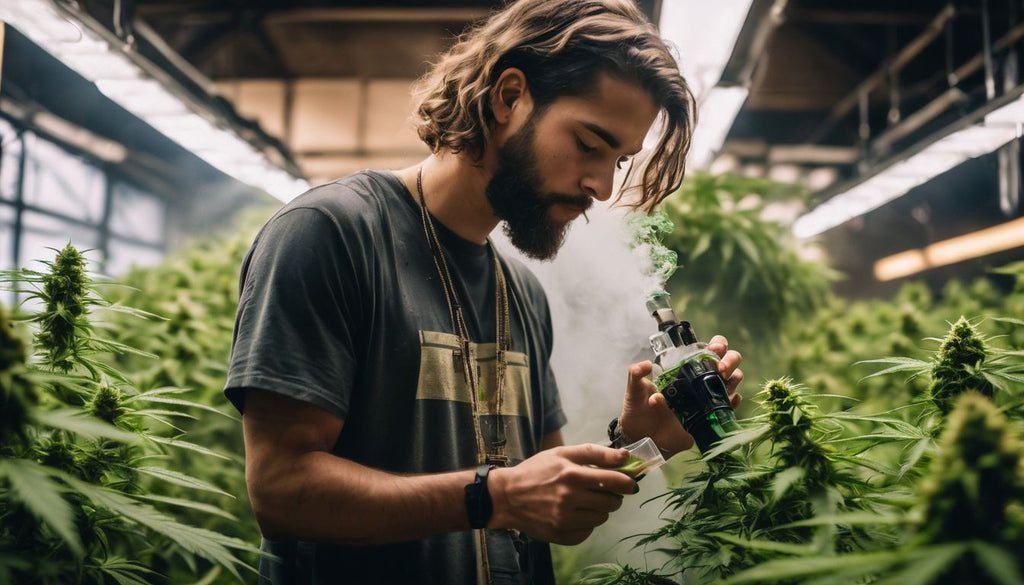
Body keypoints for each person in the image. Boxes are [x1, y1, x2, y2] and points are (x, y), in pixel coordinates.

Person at [224, 0, 744, 583]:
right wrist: (490, 498)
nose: (601, 187)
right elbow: (280, 492)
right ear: (509, 97)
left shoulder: (520, 290)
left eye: (619, 162)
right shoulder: (332, 234)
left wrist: (640, 445)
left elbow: (545, 500)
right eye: (589, 145)